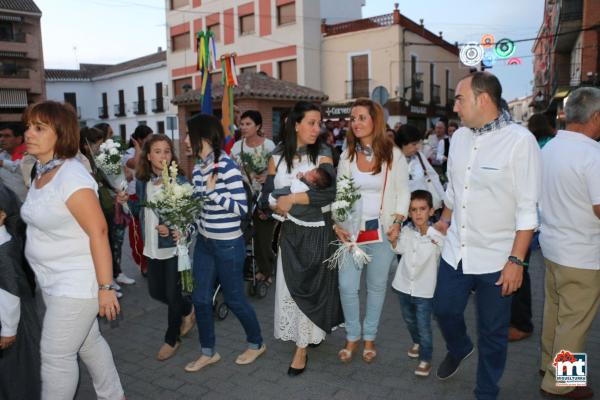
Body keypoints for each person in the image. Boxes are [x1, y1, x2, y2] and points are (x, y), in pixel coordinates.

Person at [432, 72, 540, 400]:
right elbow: (455, 189)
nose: (454, 106)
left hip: (497, 258)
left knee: (493, 333)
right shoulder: (461, 138)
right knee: (444, 308)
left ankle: (487, 391)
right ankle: (460, 346)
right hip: (457, 251)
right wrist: (445, 220)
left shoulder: (520, 141)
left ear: (483, 99)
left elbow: (527, 210)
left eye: (459, 98)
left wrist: (516, 261)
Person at [20, 101, 124, 399]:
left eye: (39, 128)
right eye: (28, 126)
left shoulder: (71, 176)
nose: (29, 133)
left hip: (77, 283)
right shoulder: (41, 172)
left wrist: (105, 287)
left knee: (55, 357)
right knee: (88, 343)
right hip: (52, 281)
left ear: (61, 133)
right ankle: (114, 395)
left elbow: (99, 231)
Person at [260, 101, 343, 376]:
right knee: (292, 286)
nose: (316, 128)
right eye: (311, 122)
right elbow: (266, 196)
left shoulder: (323, 153)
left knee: (312, 286)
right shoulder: (277, 156)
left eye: (319, 123)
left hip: (318, 231)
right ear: (295, 124)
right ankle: (303, 337)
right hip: (291, 232)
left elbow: (328, 192)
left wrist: (292, 198)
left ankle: (302, 346)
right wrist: (274, 204)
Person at [183, 114, 265, 372]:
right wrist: (185, 231)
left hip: (229, 245)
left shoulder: (227, 167)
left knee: (235, 299)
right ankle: (208, 352)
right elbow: (199, 211)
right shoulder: (198, 168)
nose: (185, 140)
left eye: (189, 135)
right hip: (205, 244)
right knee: (200, 298)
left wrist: (214, 193)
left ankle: (256, 343)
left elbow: (242, 209)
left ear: (203, 138)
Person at [335, 98, 410, 364]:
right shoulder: (346, 156)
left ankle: (369, 337)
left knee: (377, 287)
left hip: (382, 231)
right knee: (347, 286)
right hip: (353, 233)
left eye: (361, 117)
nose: (355, 123)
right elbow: (340, 195)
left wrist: (397, 222)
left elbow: (404, 192)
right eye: (352, 118)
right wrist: (338, 224)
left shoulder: (394, 154)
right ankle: (352, 335)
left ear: (375, 121)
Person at [538, 87, 600, 399]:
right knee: (574, 324)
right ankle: (562, 384)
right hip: (583, 253)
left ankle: (548, 366)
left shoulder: (549, 148)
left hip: (552, 247)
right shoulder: (594, 155)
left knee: (557, 313)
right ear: (596, 117)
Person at [126, 134, 195, 361]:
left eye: (167, 151)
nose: (163, 156)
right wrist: (126, 201)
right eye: (157, 151)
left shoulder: (179, 181)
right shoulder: (143, 180)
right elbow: (139, 211)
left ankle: (171, 338)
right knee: (156, 292)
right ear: (148, 155)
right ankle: (188, 310)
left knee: (172, 294)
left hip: (173, 248)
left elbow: (192, 214)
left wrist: (174, 228)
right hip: (152, 247)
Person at [391, 190, 445, 377]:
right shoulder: (406, 231)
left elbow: (445, 249)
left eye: (422, 209)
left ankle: (426, 358)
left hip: (425, 290)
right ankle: (417, 341)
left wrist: (429, 232)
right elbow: (399, 249)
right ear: (409, 212)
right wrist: (393, 240)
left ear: (431, 211)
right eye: (414, 210)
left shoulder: (437, 235)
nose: (418, 214)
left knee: (424, 325)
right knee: (409, 320)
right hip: (404, 286)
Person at [0, 183, 41, 400]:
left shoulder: (3, 252)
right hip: (12, 316)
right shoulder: (7, 241)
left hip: (12, 321)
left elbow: (9, 294)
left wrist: (8, 329)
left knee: (16, 367)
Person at [80, 127, 127, 299]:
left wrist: (116, 187)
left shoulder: (95, 160)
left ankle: (114, 275)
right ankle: (107, 281)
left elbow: (104, 180)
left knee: (113, 241)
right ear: (86, 145)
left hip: (106, 205)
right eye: (97, 145)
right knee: (105, 243)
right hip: (97, 207)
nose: (99, 149)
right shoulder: (82, 162)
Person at [230, 110, 277, 283]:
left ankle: (266, 271)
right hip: (243, 196)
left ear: (258, 126)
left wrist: (268, 177)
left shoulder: (269, 146)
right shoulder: (236, 147)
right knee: (243, 234)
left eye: (248, 124)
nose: (243, 127)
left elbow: (279, 170)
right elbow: (231, 170)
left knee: (263, 237)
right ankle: (245, 267)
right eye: (241, 124)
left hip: (263, 196)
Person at [124, 125, 154, 277]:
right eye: (148, 137)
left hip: (147, 196)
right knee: (137, 233)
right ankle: (143, 265)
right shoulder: (129, 153)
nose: (151, 139)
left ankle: (151, 262)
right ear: (141, 139)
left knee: (149, 231)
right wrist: (137, 147)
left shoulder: (148, 152)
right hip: (134, 197)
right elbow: (135, 164)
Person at [395, 124, 446, 211]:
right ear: (403, 143)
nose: (417, 147)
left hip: (424, 209)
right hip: (402, 211)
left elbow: (433, 177)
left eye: (418, 143)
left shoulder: (419, 156)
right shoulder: (392, 160)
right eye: (414, 144)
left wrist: (443, 199)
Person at [0, 122, 28, 200]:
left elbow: (25, 169)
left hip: (31, 205)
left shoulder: (31, 154)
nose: (2, 139)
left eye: (7, 136)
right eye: (0, 136)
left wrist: (2, 163)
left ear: (19, 139)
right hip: (8, 208)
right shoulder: (1, 155)